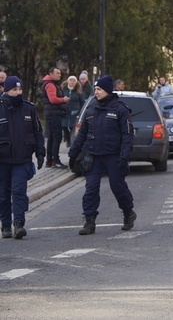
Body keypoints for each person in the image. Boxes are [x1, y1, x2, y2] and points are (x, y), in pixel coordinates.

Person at [68, 75, 136, 235]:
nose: (96, 92)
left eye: (99, 89)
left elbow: (127, 135)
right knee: (91, 189)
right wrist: (73, 154)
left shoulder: (120, 109)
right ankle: (89, 221)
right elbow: (82, 134)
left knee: (117, 186)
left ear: (107, 90)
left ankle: (128, 212)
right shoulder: (91, 110)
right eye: (96, 89)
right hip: (93, 156)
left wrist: (124, 156)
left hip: (113, 155)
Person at [0, 77, 46, 239]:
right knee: (3, 194)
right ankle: (5, 225)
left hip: (22, 158)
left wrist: (41, 152)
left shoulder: (28, 108)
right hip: (3, 160)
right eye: (14, 90)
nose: (18, 93)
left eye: (20, 90)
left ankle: (19, 223)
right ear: (6, 91)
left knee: (19, 191)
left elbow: (37, 132)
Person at [39, 67, 70, 168]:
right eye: (57, 73)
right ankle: (55, 160)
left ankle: (50, 160)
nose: (59, 75)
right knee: (57, 137)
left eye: (60, 73)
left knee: (52, 137)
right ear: (51, 74)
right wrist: (63, 99)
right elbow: (53, 99)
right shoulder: (50, 84)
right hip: (54, 113)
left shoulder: (50, 83)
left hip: (51, 113)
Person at [62, 76, 85, 148]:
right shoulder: (63, 90)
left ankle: (72, 143)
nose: (72, 82)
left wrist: (80, 111)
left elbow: (82, 102)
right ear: (67, 81)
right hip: (65, 111)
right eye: (70, 80)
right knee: (64, 126)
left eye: (74, 80)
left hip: (74, 112)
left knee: (73, 128)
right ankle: (67, 139)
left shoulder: (79, 92)